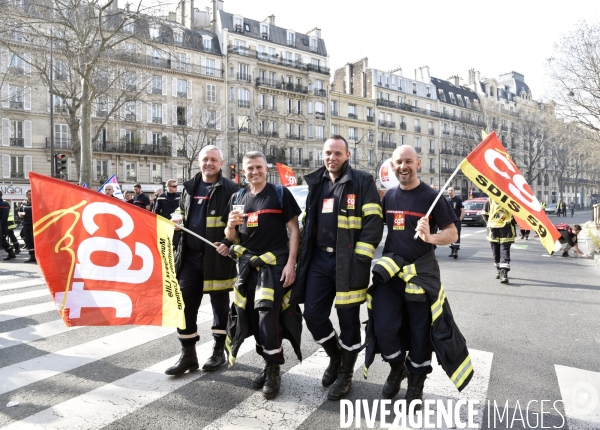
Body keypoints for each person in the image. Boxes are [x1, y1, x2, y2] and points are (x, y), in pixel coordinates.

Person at [363, 145, 472, 407]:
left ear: (418, 164)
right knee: (384, 326)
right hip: (391, 274)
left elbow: (452, 233)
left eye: (409, 162)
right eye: (399, 162)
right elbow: (370, 226)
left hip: (422, 274)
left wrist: (431, 237)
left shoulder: (432, 197)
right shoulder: (388, 197)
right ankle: (397, 367)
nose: (403, 166)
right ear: (392, 166)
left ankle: (416, 382)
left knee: (421, 333)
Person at [294, 135, 383, 401]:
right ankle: (335, 356)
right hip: (319, 260)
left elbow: (373, 222)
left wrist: (360, 259)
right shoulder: (316, 183)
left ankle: (346, 373)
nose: (331, 158)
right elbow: (306, 221)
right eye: (327, 153)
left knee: (348, 320)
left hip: (349, 263)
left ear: (347, 156)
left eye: (337, 153)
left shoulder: (362, 181)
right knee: (313, 315)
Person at [219, 151, 301, 400]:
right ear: (243, 171)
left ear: (266, 169)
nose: (254, 172)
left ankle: (274, 369)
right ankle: (267, 364)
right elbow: (231, 237)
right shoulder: (238, 197)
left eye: (258, 167)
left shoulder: (279, 194)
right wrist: (230, 226)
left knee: (267, 316)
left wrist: (291, 264)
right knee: (252, 318)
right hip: (247, 267)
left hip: (273, 265)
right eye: (249, 168)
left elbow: (294, 230)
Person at [165, 146, 239, 376]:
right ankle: (188, 355)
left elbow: (238, 223)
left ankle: (218, 351)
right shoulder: (189, 186)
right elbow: (182, 211)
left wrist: (229, 244)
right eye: (205, 159)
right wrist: (177, 219)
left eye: (214, 160)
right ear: (199, 161)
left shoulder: (232, 189)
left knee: (219, 306)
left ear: (221, 162)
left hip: (218, 256)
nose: (209, 163)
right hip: (189, 257)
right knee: (184, 307)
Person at [483, 199, 515, 284]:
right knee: (496, 253)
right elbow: (485, 214)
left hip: (506, 230)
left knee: (505, 252)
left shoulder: (509, 200)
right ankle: (499, 269)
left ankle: (504, 273)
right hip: (494, 231)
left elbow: (517, 214)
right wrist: (490, 223)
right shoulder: (489, 201)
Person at [154, 179, 182, 250]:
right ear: (168, 187)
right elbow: (156, 211)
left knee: (176, 243)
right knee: (166, 243)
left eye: (177, 186)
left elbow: (183, 209)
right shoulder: (161, 197)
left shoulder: (179, 196)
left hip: (177, 223)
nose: (176, 188)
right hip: (165, 223)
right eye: (174, 186)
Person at [446, 186, 464, 259]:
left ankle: (455, 250)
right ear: (448, 192)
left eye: (452, 190)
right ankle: (452, 250)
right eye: (449, 190)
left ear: (454, 191)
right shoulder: (446, 200)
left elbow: (463, 210)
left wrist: (460, 219)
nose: (450, 191)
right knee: (450, 236)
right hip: (449, 221)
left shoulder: (458, 200)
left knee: (456, 235)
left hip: (456, 221)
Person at [18, 190, 35, 263]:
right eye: (29, 194)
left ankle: (38, 256)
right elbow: (20, 212)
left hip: (35, 224)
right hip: (26, 224)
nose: (30, 196)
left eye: (31, 194)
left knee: (35, 241)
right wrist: (20, 215)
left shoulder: (36, 202)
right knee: (28, 240)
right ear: (26, 195)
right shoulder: (24, 203)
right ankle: (32, 256)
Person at [0, 191, 16, 260]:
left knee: (3, 240)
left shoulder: (3, 203)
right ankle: (11, 253)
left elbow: (5, 215)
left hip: (2, 226)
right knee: (3, 240)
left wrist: (1, 224)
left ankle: (11, 252)